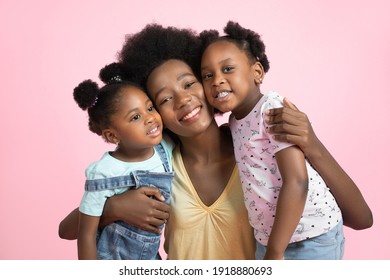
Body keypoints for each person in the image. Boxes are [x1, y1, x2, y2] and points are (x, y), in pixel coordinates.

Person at [59, 24, 372, 260]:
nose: (182, 100)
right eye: (164, 99)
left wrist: (312, 145)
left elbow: (361, 219)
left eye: (190, 83)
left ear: (209, 85)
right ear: (156, 114)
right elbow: (67, 230)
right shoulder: (156, 165)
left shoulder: (257, 146)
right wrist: (113, 207)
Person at [198, 21, 359, 260]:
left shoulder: (272, 110)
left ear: (257, 72)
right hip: (271, 238)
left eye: (228, 69)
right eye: (208, 75)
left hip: (311, 236)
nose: (217, 80)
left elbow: (297, 181)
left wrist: (275, 250)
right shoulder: (234, 122)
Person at [72, 62, 174, 260]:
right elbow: (86, 233)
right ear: (112, 136)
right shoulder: (105, 171)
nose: (150, 118)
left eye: (150, 108)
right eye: (135, 117)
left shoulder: (165, 147)